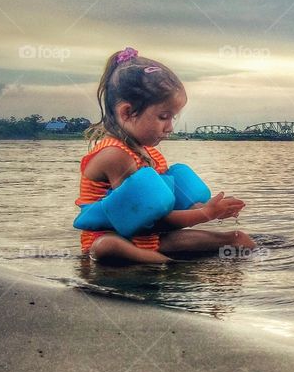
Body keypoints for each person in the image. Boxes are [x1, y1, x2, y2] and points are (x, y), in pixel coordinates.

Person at [76, 47, 255, 263]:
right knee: (105, 247)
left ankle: (159, 259)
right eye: (163, 117)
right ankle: (163, 262)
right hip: (121, 240)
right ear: (127, 112)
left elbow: (166, 211)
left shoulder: (150, 154)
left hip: (152, 238)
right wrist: (205, 214)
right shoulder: (115, 156)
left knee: (238, 240)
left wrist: (212, 209)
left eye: (174, 118)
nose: (170, 127)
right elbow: (143, 219)